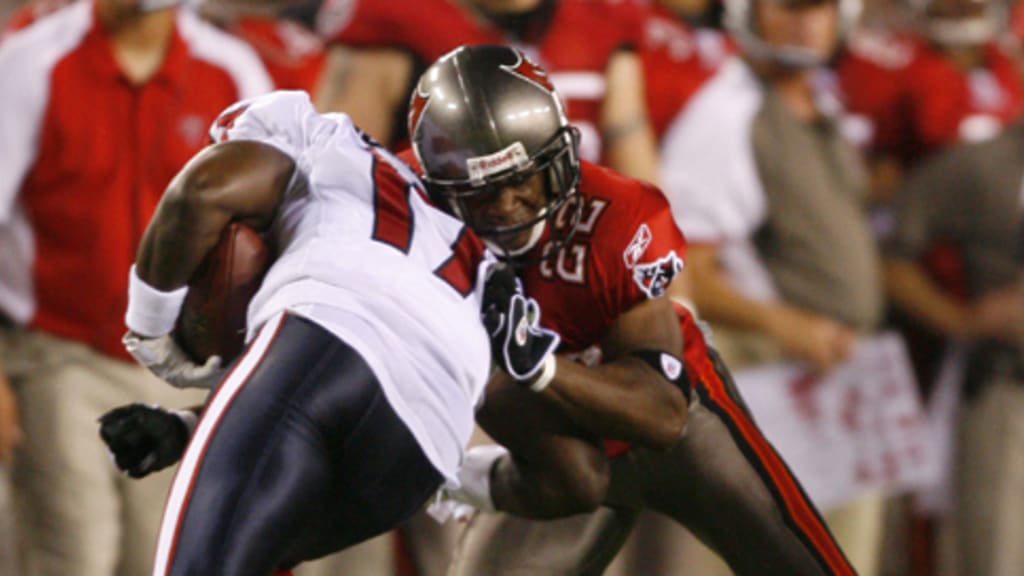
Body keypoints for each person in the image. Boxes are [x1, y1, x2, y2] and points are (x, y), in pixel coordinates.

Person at [406, 44, 855, 576]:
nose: (506, 205)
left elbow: (664, 415)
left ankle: (485, 475)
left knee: (803, 566)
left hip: (676, 422)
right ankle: (490, 480)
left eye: (520, 177)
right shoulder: (416, 216)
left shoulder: (617, 216)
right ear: (441, 189)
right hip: (562, 446)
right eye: (482, 191)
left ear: (559, 154)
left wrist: (543, 366)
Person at [98, 88, 560, 575]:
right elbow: (377, 378)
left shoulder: (323, 139)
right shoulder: (487, 265)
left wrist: (151, 332)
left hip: (324, 345)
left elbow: (205, 190)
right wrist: (189, 427)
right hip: (420, 455)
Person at [0, 0, 271, 574]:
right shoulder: (30, 65)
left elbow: (284, 220)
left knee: (166, 555)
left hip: (187, 361)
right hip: (60, 353)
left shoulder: (232, 70)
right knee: (71, 554)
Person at [657, 0, 889, 572]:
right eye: (788, 7)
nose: (806, 23)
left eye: (820, 8)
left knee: (841, 555)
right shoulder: (726, 113)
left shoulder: (821, 101)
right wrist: (787, 324)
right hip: (767, 368)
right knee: (762, 553)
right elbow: (688, 271)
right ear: (748, 14)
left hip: (838, 365)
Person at [882, 123, 1024, 576]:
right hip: (1006, 393)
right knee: (994, 558)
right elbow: (887, 252)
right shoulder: (986, 164)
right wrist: (961, 319)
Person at [314, 0, 660, 183]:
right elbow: (334, 182)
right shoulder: (394, 22)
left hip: (572, 264)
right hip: (443, 271)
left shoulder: (600, 19)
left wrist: (675, 293)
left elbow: (642, 190)